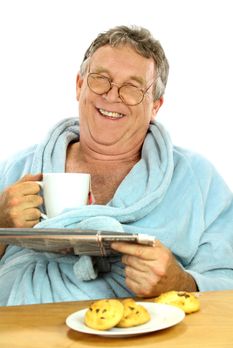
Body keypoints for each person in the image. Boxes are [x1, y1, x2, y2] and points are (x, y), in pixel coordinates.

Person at [0, 25, 233, 306]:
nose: (112, 96)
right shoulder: (16, 171)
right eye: (101, 79)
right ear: (79, 85)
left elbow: (227, 283)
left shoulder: (198, 180)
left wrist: (181, 283)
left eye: (132, 88)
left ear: (155, 106)